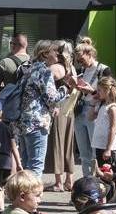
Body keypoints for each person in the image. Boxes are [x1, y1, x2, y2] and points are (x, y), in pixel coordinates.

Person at [12, 40, 69, 178]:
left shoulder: (30, 69)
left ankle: (23, 195)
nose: (57, 54)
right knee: (36, 166)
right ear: (45, 53)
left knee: (26, 165)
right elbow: (52, 98)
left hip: (23, 123)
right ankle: (32, 197)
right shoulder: (44, 71)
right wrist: (65, 88)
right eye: (54, 51)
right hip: (37, 122)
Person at [46, 41, 80, 191]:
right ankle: (69, 180)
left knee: (57, 142)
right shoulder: (71, 67)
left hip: (59, 107)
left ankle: (59, 182)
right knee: (68, 143)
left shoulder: (55, 68)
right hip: (69, 107)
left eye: (52, 49)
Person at [72, 43, 109, 178]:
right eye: (78, 60)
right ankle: (87, 181)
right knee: (83, 153)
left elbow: (109, 95)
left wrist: (92, 91)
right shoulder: (81, 70)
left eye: (81, 59)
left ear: (90, 54)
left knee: (95, 151)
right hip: (79, 110)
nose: (80, 62)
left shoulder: (103, 70)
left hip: (95, 111)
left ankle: (97, 182)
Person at [87, 76, 116, 179]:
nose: (97, 93)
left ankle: (110, 194)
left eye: (99, 90)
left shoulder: (113, 108)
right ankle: (104, 193)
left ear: (107, 90)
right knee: (101, 173)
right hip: (99, 144)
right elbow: (90, 117)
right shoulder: (101, 104)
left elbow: (112, 128)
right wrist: (93, 103)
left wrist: (108, 149)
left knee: (107, 173)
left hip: (107, 146)